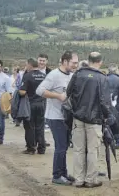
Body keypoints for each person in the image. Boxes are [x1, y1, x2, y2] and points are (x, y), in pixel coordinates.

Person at [67, 52, 112, 188]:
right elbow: (104, 101)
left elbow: (68, 93)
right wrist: (108, 115)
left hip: (78, 117)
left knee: (78, 149)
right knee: (93, 150)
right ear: (100, 62)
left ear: (88, 60)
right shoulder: (101, 78)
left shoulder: (78, 74)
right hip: (95, 119)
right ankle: (90, 179)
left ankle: (79, 179)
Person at [36, 51, 78, 186]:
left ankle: (63, 172)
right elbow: (40, 90)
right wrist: (58, 96)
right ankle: (57, 175)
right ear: (65, 61)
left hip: (66, 117)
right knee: (60, 146)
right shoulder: (54, 75)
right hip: (55, 117)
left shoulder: (72, 75)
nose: (76, 65)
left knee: (64, 146)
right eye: (74, 63)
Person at [19, 58, 46, 155]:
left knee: (29, 127)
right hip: (42, 104)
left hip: (30, 104)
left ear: (30, 65)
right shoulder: (44, 76)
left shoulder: (27, 76)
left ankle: (31, 148)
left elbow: (22, 92)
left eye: (26, 65)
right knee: (40, 126)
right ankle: (41, 148)